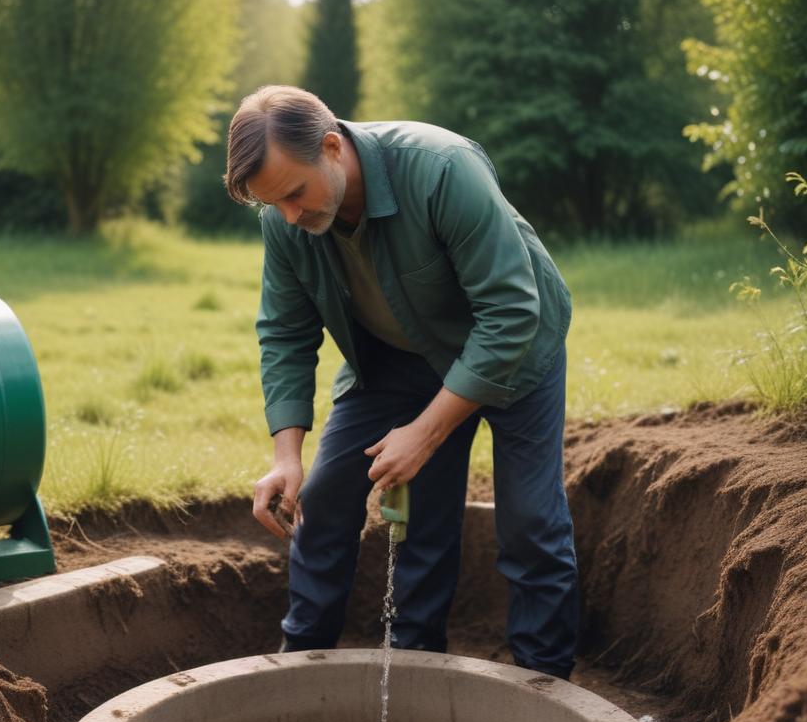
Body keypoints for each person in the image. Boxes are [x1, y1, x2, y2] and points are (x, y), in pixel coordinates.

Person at [224, 85, 578, 679]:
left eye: (294, 194)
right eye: (271, 205)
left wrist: (428, 431)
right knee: (333, 490)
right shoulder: (286, 223)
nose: (289, 217)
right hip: (395, 357)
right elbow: (285, 333)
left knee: (530, 524)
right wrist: (287, 456)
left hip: (516, 347)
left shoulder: (442, 169)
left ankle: (547, 687)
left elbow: (511, 312)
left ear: (332, 148)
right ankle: (331, 663)